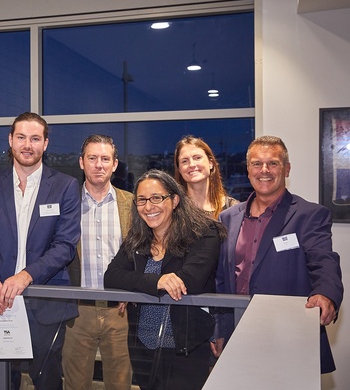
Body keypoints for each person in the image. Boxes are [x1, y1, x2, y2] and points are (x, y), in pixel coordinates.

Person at [214, 135, 344, 373]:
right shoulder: (228, 218)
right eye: (257, 164)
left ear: (287, 168)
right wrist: (220, 329)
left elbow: (323, 260)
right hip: (237, 330)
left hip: (289, 334)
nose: (264, 170)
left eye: (273, 163)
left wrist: (326, 293)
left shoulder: (310, 215)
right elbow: (222, 280)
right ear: (248, 169)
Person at [0, 112, 81, 390]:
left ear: (45, 144)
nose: (27, 145)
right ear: (11, 140)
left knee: (48, 383)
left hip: (45, 303)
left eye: (35, 138)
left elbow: (65, 247)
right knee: (1, 384)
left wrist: (26, 276)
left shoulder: (65, 186)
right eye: (21, 137)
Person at [104, 169, 225, 390]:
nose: (149, 207)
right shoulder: (137, 239)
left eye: (157, 198)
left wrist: (136, 283)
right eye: (142, 200)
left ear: (175, 200)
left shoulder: (204, 233)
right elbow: (111, 278)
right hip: (143, 350)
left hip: (185, 349)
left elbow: (190, 281)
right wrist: (157, 281)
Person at [62, 135, 133, 390]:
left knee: (120, 384)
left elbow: (142, 251)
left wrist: (132, 288)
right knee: (75, 384)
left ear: (115, 164)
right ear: (82, 162)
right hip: (78, 310)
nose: (99, 165)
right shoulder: (67, 203)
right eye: (92, 158)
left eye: (105, 159)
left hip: (119, 311)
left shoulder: (132, 203)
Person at [174, 135, 238, 219]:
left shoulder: (233, 208)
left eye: (197, 158)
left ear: (210, 163)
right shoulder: (174, 209)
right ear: (179, 169)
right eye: (185, 161)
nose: (192, 165)